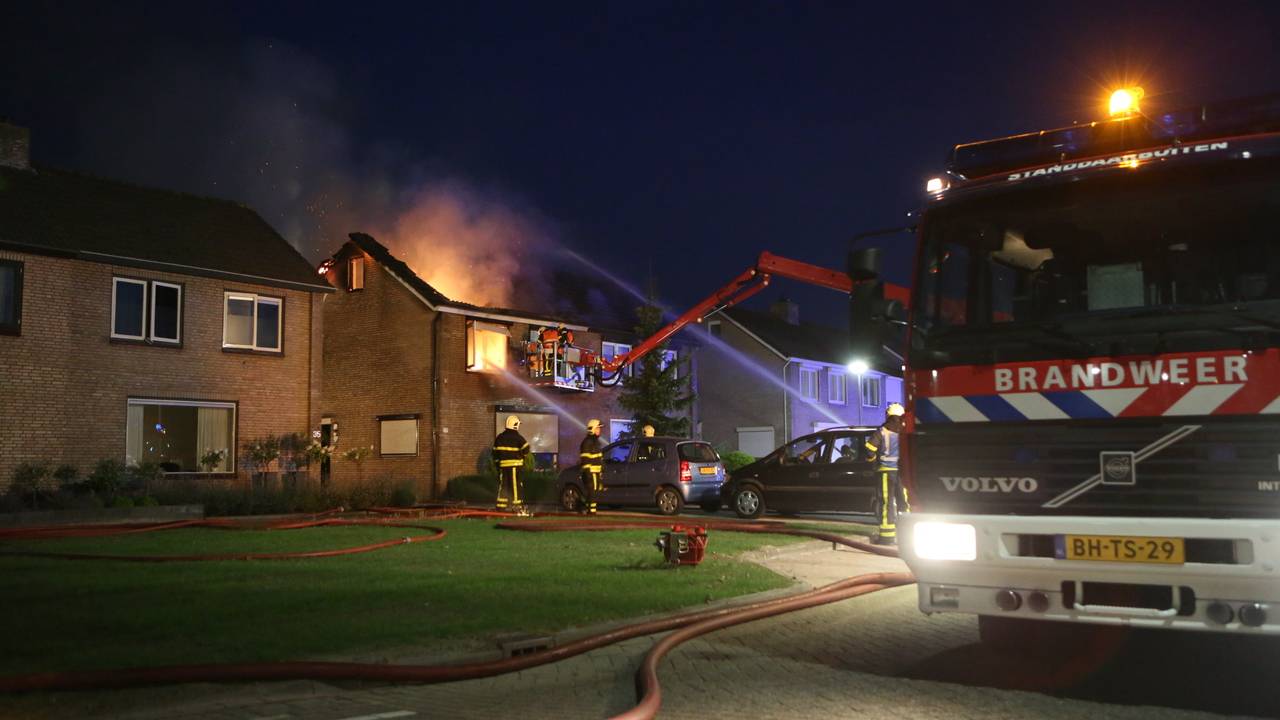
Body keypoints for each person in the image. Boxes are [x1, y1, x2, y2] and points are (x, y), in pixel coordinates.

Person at [867, 403, 908, 545]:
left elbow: (870, 449)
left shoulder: (882, 431)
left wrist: (871, 459)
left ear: (888, 415)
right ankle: (907, 534)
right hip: (903, 473)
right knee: (904, 502)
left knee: (887, 503)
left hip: (886, 472)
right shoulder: (905, 431)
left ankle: (887, 537)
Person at [493, 416, 530, 514]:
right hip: (515, 466)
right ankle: (517, 506)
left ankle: (500, 506)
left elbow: (495, 453)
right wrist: (522, 456)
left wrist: (497, 464)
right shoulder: (518, 438)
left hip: (503, 467)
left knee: (503, 486)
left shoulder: (499, 438)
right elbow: (526, 449)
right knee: (515, 486)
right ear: (515, 425)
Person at [579, 419, 605, 515]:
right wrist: (588, 472)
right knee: (592, 491)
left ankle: (588, 508)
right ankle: (591, 511)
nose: (599, 430)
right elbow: (585, 458)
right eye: (598, 428)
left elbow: (599, 457)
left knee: (595, 491)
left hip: (596, 471)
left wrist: (602, 468)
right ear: (592, 429)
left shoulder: (596, 442)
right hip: (591, 472)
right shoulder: (587, 442)